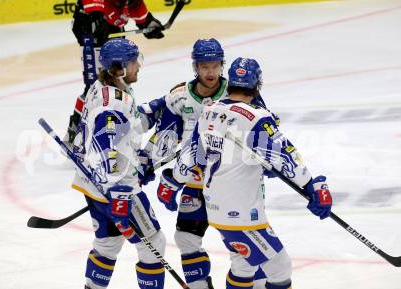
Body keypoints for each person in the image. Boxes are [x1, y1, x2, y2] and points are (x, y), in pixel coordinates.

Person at [169, 57, 333, 289]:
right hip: (242, 213)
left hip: (215, 207)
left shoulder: (209, 112)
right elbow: (287, 156)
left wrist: (173, 181)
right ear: (257, 84)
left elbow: (191, 156)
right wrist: (312, 186)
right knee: (279, 267)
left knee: (247, 265)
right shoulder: (257, 117)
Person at [138, 39, 272, 289]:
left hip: (235, 182)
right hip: (196, 180)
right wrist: (144, 164)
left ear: (222, 66)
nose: (210, 72)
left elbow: (264, 129)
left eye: (214, 66)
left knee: (244, 244)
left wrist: (269, 159)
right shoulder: (179, 97)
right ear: (195, 67)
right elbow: (165, 137)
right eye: (204, 67)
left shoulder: (237, 91)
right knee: (187, 238)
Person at [71, 38, 166, 289]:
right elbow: (108, 153)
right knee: (153, 244)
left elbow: (128, 125)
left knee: (107, 244)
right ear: (118, 68)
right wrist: (121, 195)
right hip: (117, 188)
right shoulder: (111, 106)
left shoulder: (102, 88)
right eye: (133, 62)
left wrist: (159, 105)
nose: (138, 67)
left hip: (94, 185)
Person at [65, 0, 165, 146]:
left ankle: (114, 128)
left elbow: (134, 4)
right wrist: (96, 16)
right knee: (94, 85)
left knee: (119, 79)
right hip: (88, 24)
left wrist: (147, 22)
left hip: (112, 25)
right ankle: (75, 133)